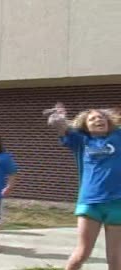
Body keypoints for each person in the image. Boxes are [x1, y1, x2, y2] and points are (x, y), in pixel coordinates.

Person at [45, 103, 121, 270]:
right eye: (92, 119)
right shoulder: (81, 141)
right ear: (86, 125)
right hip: (90, 202)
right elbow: (63, 128)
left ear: (108, 121)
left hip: (118, 204)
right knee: (82, 253)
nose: (98, 120)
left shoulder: (118, 136)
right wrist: (60, 120)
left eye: (101, 117)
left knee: (115, 257)